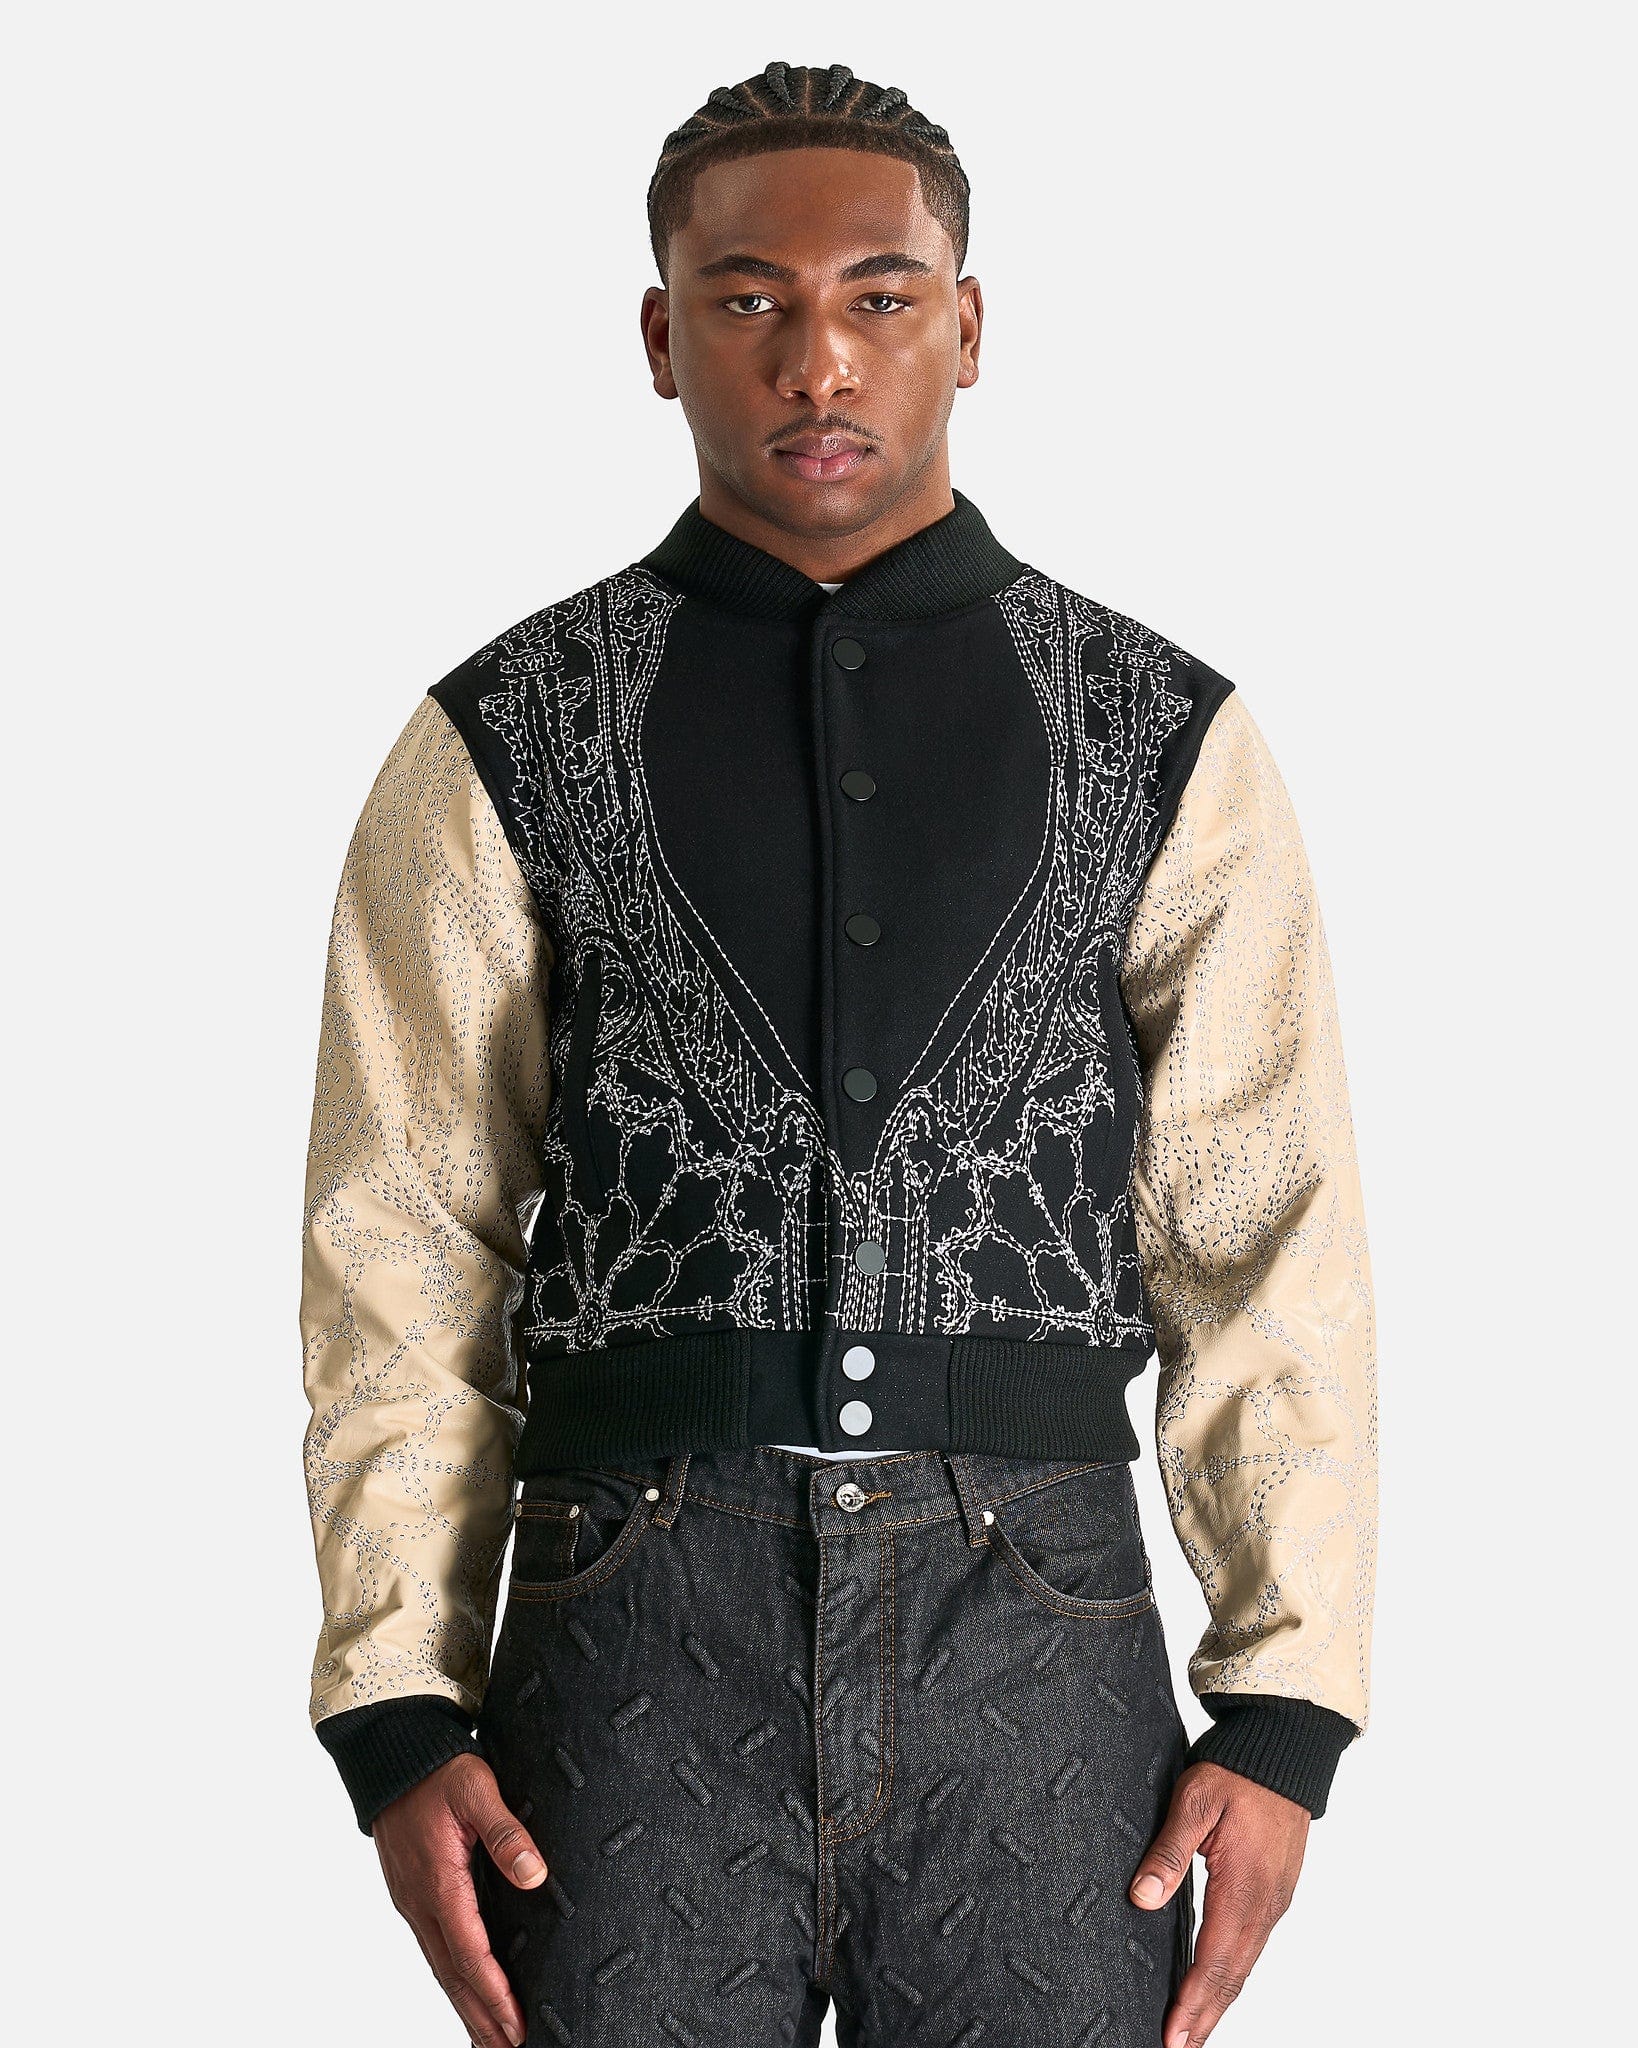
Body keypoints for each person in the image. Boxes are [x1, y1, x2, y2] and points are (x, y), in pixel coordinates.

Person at [299, 59, 1377, 2048]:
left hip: (1038, 1634)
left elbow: (1264, 1232)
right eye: (749, 300)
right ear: (659, 338)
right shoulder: (499, 740)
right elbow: (401, 1235)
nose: (817, 360)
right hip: (630, 1633)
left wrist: (1286, 1705)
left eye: (879, 297)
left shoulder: (1163, 738)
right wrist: (394, 1702)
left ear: (967, 326)